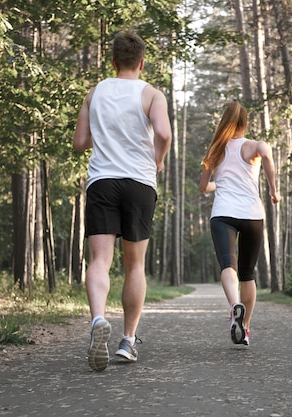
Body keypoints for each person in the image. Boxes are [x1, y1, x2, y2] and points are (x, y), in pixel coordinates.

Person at [73, 31, 171, 371]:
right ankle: (128, 340)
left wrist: (104, 132)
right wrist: (157, 159)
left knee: (100, 260)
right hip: (140, 183)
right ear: (141, 63)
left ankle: (98, 319)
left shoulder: (95, 93)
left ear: (113, 62)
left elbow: (80, 142)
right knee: (134, 265)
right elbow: (163, 133)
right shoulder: (151, 94)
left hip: (102, 181)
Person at [199, 101, 280, 346]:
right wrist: (273, 190)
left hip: (223, 213)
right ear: (245, 123)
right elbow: (266, 154)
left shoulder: (215, 150)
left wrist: (219, 184)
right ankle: (244, 329)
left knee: (228, 265)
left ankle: (235, 305)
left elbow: (204, 188)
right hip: (252, 215)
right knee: (247, 274)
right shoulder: (254, 146)